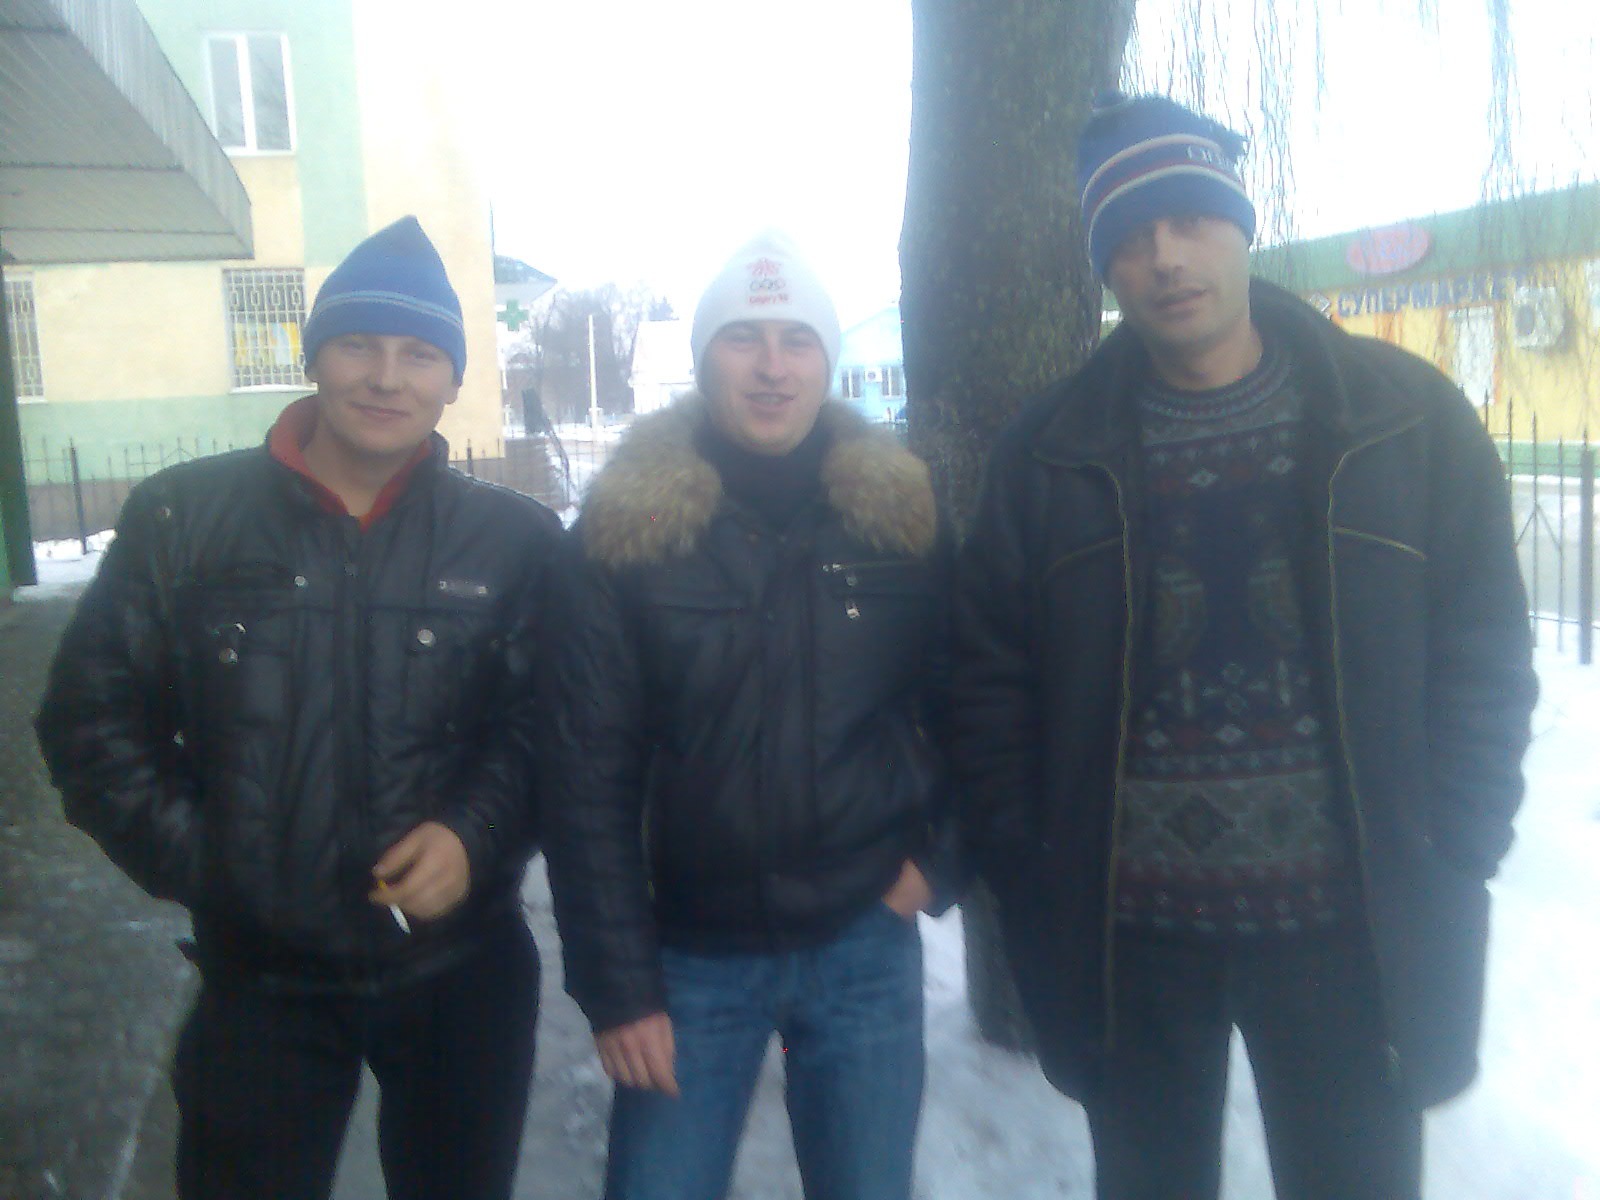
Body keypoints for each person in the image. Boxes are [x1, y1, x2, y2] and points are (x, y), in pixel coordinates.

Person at [950, 93, 1538, 1200]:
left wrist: (1460, 835)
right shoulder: (1049, 455)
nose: (1166, 257)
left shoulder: (1402, 420)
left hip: (1348, 929)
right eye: (1131, 237)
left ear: (1241, 224)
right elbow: (988, 676)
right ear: (1106, 267)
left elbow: (1482, 650)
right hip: (1133, 939)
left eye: (1189, 219)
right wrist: (1030, 858)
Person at [35, 216, 562, 1200]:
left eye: (419, 353)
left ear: (452, 379)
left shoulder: (517, 541)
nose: (386, 377)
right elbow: (91, 720)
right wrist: (215, 865)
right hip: (259, 986)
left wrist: (476, 832)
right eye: (358, 343)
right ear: (313, 355)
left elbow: (552, 725)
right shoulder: (184, 519)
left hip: (459, 975)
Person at [544, 231, 960, 1200]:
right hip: (689, 958)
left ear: (825, 361)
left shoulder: (900, 524)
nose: (772, 365)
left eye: (796, 339)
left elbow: (968, 702)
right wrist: (618, 986)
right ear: (703, 360)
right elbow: (583, 776)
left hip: (863, 940)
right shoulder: (620, 537)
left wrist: (943, 858)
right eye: (743, 337)